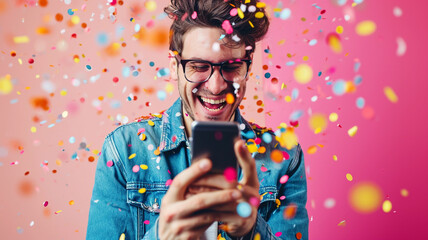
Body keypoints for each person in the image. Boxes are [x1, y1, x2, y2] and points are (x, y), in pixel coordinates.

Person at [86, 0, 308, 239]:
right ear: (174, 67)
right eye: (199, 66)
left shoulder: (284, 156)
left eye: (232, 66)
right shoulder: (122, 150)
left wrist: (250, 230)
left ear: (248, 69)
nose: (216, 86)